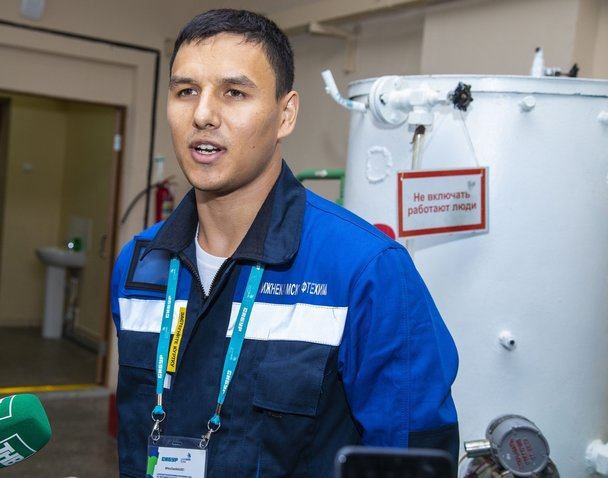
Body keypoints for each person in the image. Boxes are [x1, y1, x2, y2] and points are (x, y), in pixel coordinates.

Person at [110, 8, 459, 478]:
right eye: (186, 91)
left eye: (234, 93)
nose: (203, 115)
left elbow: (410, 461)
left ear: (285, 114)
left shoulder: (365, 271)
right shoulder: (139, 264)